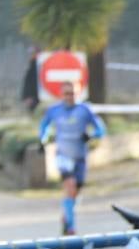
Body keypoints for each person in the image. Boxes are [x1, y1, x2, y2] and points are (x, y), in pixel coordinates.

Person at [38, 81, 105, 235]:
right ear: (61, 95)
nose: (69, 97)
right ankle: (71, 227)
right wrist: (43, 140)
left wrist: (90, 135)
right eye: (66, 93)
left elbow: (100, 129)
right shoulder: (54, 110)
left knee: (76, 191)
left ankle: (66, 215)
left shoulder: (85, 110)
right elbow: (44, 127)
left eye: (72, 93)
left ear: (78, 93)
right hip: (63, 155)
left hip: (80, 155)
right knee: (70, 185)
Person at [21, 47, 40, 114]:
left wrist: (28, 96)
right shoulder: (32, 65)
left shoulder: (37, 66)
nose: (31, 55)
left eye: (33, 53)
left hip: (35, 98)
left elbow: (31, 83)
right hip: (32, 98)